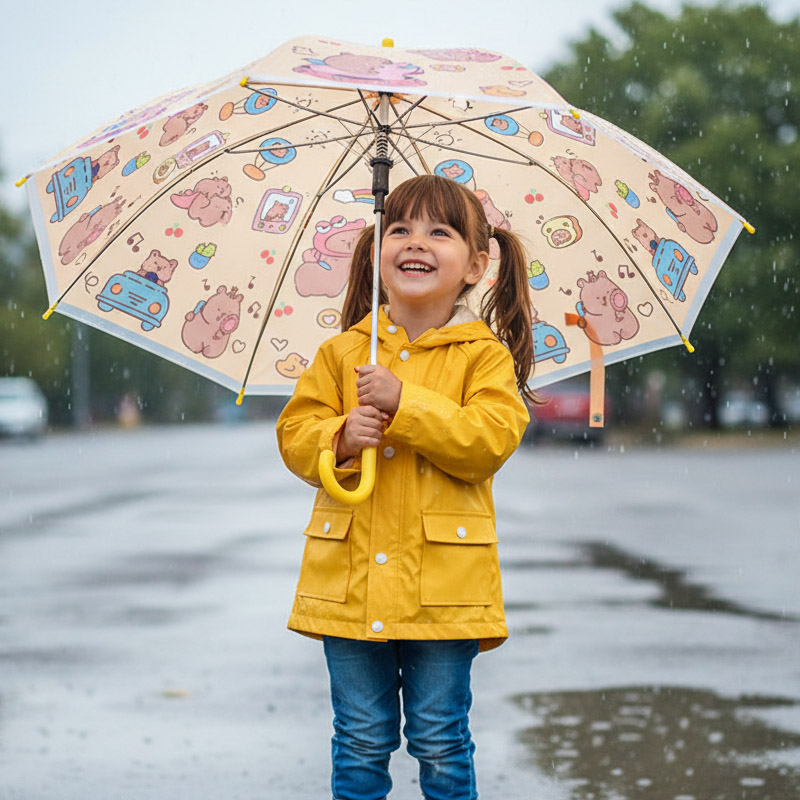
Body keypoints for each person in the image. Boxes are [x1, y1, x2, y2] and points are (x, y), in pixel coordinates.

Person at [275, 174, 534, 800]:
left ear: (475, 265)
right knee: (360, 738)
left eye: (439, 232)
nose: (415, 242)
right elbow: (295, 434)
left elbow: (488, 441)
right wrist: (340, 437)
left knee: (440, 738)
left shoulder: (484, 357)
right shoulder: (343, 354)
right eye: (399, 229)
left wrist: (405, 404)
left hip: (443, 591)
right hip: (351, 583)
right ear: (377, 253)